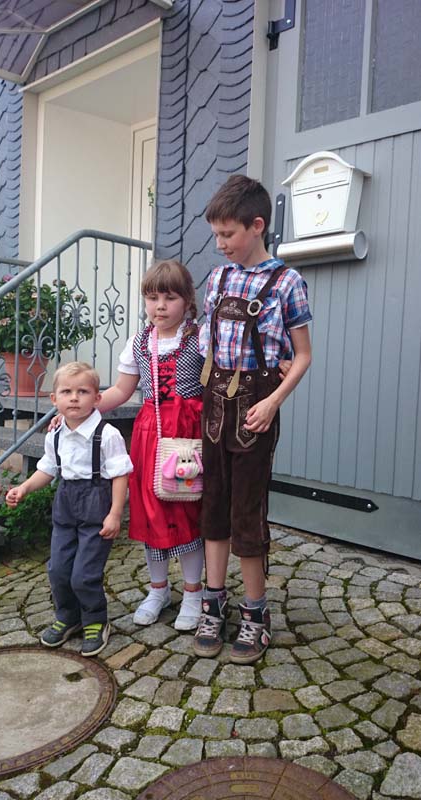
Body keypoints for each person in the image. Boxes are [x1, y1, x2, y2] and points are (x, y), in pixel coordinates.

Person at [194, 174, 312, 665]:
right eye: (217, 235)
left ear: (257, 226)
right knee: (214, 505)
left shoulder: (287, 282)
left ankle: (256, 613)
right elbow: (206, 343)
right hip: (215, 402)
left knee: (246, 508)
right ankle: (213, 602)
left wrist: (274, 401)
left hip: (257, 405)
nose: (221, 244)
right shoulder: (218, 279)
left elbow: (303, 355)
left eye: (228, 234)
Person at [97, 260, 205, 631]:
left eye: (170, 298)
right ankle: (158, 590)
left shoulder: (200, 338)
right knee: (149, 511)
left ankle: (193, 592)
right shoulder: (139, 342)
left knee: (186, 510)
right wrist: (81, 408)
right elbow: (120, 390)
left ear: (187, 300)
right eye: (153, 297)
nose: (160, 306)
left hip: (187, 436)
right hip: (149, 435)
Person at [6, 362, 133, 657]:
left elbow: (120, 475)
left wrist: (115, 513)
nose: (74, 398)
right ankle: (68, 616)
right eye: (66, 392)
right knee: (59, 570)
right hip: (65, 506)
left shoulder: (107, 435)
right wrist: (24, 488)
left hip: (97, 508)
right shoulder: (55, 434)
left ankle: (95, 620)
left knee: (84, 574)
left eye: (83, 392)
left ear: (97, 398)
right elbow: (47, 469)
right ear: (54, 399)